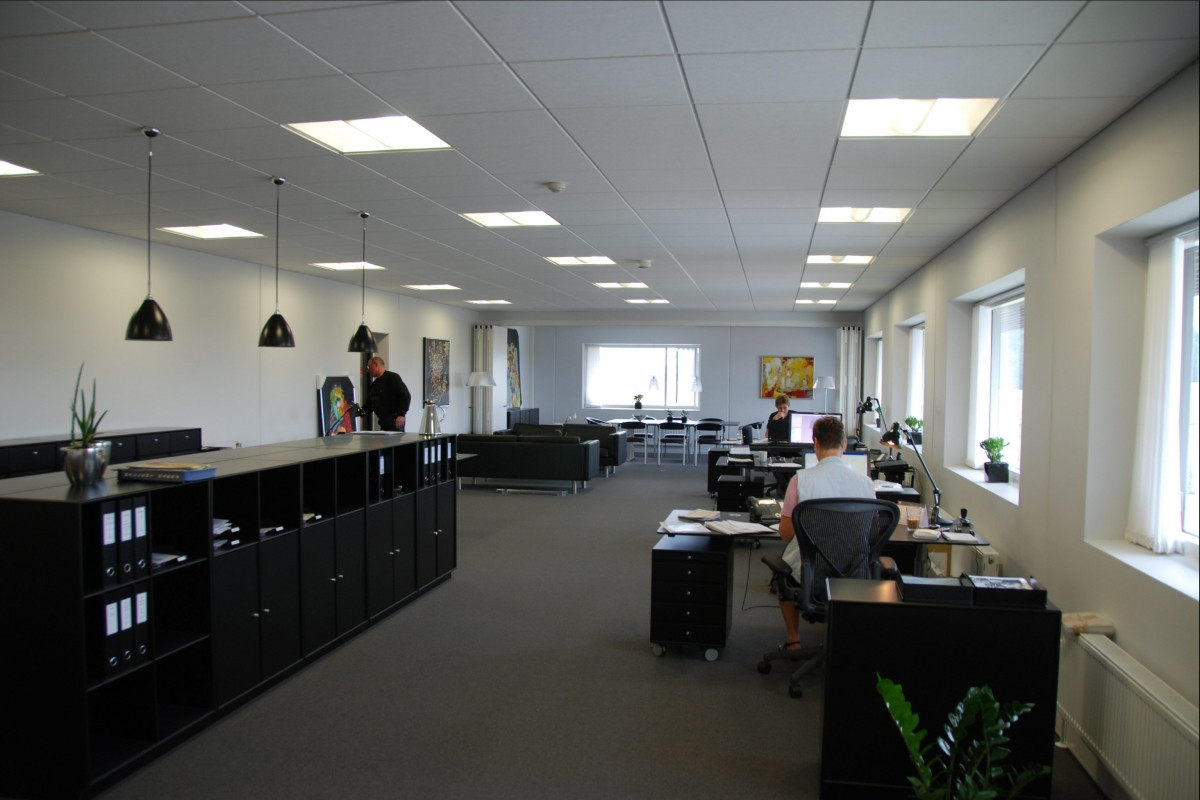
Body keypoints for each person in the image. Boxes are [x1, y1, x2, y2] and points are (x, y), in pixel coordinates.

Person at [773, 415, 874, 651]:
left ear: (815, 442)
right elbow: (871, 533)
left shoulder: (800, 480)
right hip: (855, 573)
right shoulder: (866, 484)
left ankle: (794, 640)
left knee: (781, 574)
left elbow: (785, 533)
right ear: (845, 444)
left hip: (813, 575)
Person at [361, 356, 411, 432]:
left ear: (376, 364)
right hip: (383, 423)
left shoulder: (392, 378)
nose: (368, 370)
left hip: (395, 421)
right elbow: (370, 404)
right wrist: (360, 412)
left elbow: (405, 396)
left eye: (369, 367)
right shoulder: (374, 385)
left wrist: (401, 415)